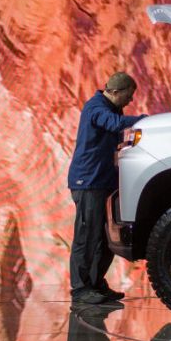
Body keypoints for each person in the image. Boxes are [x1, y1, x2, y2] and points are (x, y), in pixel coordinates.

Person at [67, 72, 146, 304]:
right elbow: (113, 125)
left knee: (104, 237)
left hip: (103, 182)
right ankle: (81, 289)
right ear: (115, 92)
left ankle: (96, 284)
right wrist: (143, 120)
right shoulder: (96, 108)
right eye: (129, 96)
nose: (130, 101)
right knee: (87, 236)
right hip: (88, 182)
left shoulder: (111, 108)